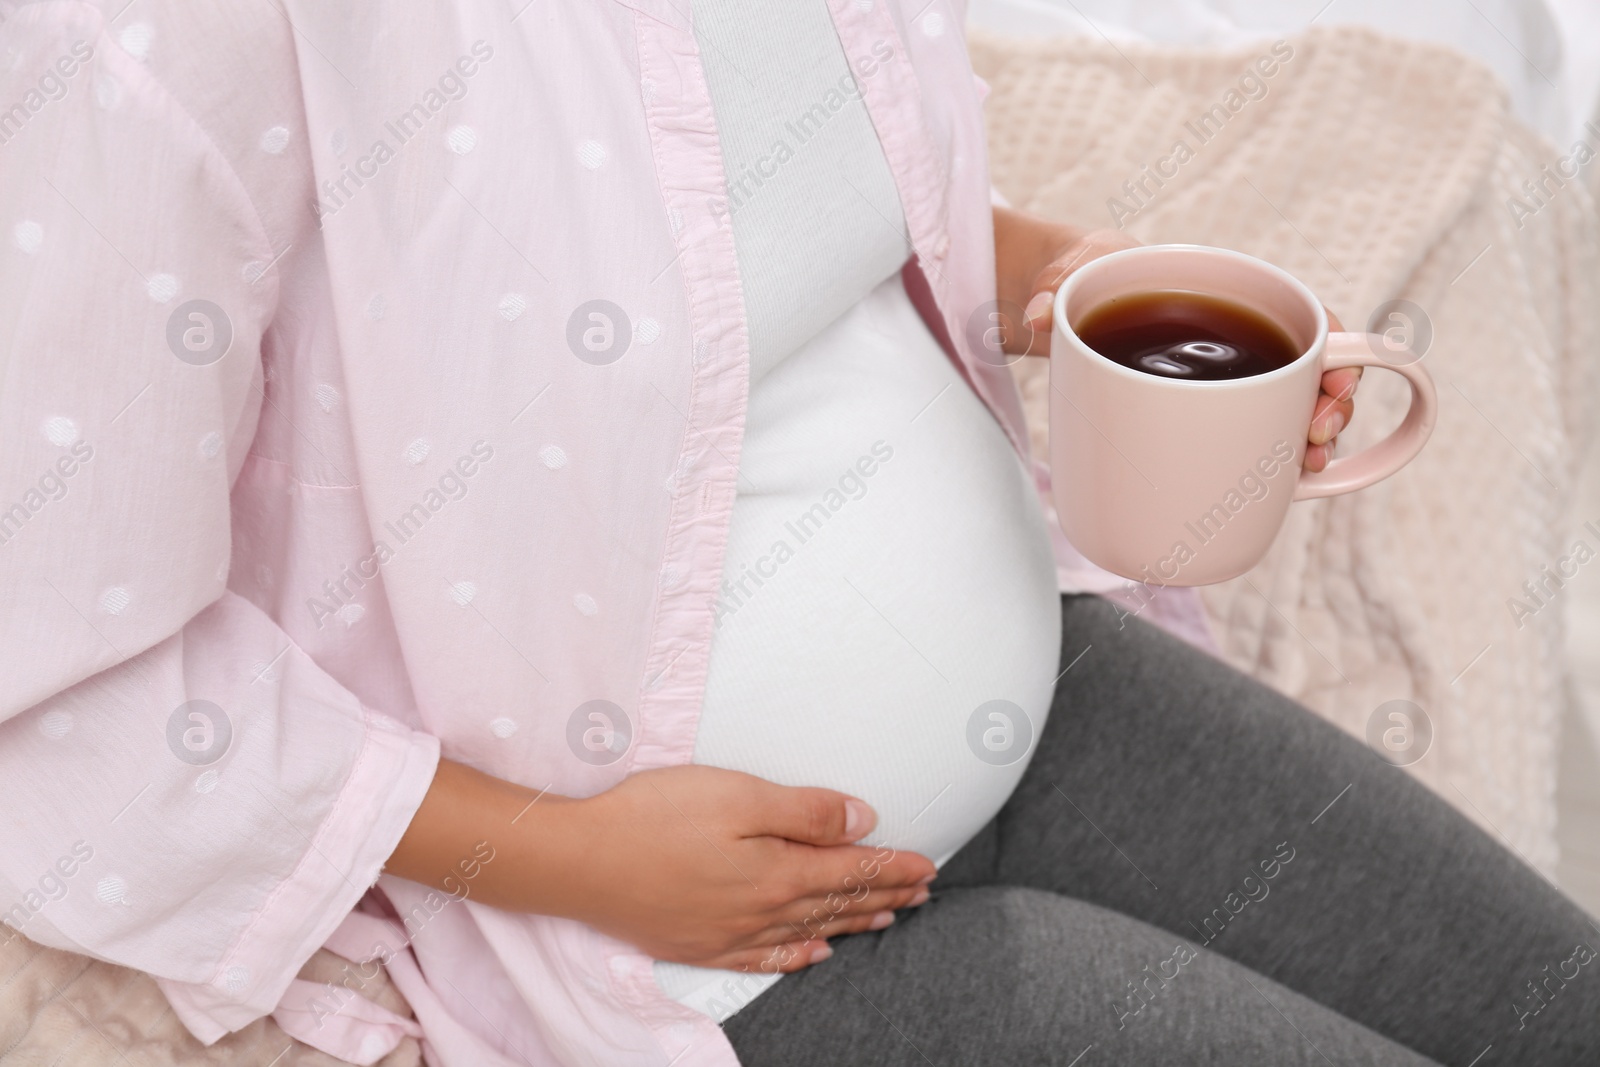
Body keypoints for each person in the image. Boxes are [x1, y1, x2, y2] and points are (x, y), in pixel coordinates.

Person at [0, 1, 1594, 1064]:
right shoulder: (159, 39)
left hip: (1043, 700)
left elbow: (755, 209)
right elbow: (61, 666)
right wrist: (560, 860)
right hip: (693, 951)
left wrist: (1075, 291)